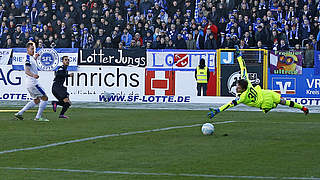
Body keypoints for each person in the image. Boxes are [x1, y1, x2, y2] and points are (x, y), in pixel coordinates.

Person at [208, 45, 309, 119]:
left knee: (268, 109)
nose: (236, 88)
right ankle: (302, 108)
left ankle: (274, 106)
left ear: (243, 89)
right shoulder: (247, 81)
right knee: (284, 101)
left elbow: (229, 104)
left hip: (265, 103)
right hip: (266, 93)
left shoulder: (242, 97)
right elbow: (243, 67)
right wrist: (239, 56)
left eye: (238, 87)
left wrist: (218, 110)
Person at [14, 42, 49, 122]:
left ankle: (20, 113)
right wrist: (33, 75)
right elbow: (26, 70)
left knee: (37, 100)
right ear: (27, 49)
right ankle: (38, 117)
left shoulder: (30, 57)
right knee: (45, 98)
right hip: (33, 82)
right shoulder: (28, 58)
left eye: (34, 49)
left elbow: (30, 64)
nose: (33, 50)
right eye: (32, 49)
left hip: (29, 83)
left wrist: (35, 58)